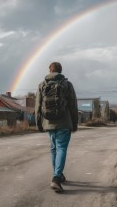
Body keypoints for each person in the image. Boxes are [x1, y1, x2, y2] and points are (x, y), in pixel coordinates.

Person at [35, 62, 78, 193]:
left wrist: (39, 125)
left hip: (48, 122)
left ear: (50, 70)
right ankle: (56, 178)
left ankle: (58, 175)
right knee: (61, 148)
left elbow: (37, 107)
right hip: (64, 123)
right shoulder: (67, 84)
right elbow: (73, 106)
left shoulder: (42, 85)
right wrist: (74, 124)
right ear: (61, 70)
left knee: (54, 149)